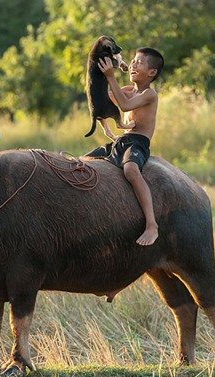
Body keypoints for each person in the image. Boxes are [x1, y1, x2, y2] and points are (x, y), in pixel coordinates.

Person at [85, 47, 164, 246]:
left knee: (130, 169)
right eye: (133, 61)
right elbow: (105, 101)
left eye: (140, 62)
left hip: (138, 143)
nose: (134, 64)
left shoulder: (149, 95)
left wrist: (111, 76)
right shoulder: (128, 91)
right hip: (121, 141)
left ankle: (151, 224)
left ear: (152, 72)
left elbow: (125, 106)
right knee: (82, 162)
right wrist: (99, 75)